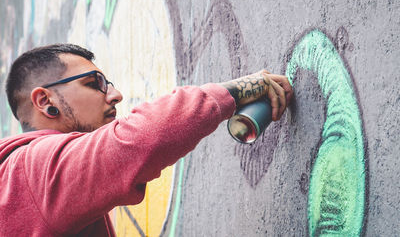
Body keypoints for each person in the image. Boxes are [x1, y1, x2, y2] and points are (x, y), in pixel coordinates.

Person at [0, 44, 293, 236]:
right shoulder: (29, 171)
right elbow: (139, 140)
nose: (115, 95)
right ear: (44, 100)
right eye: (95, 83)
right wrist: (238, 90)